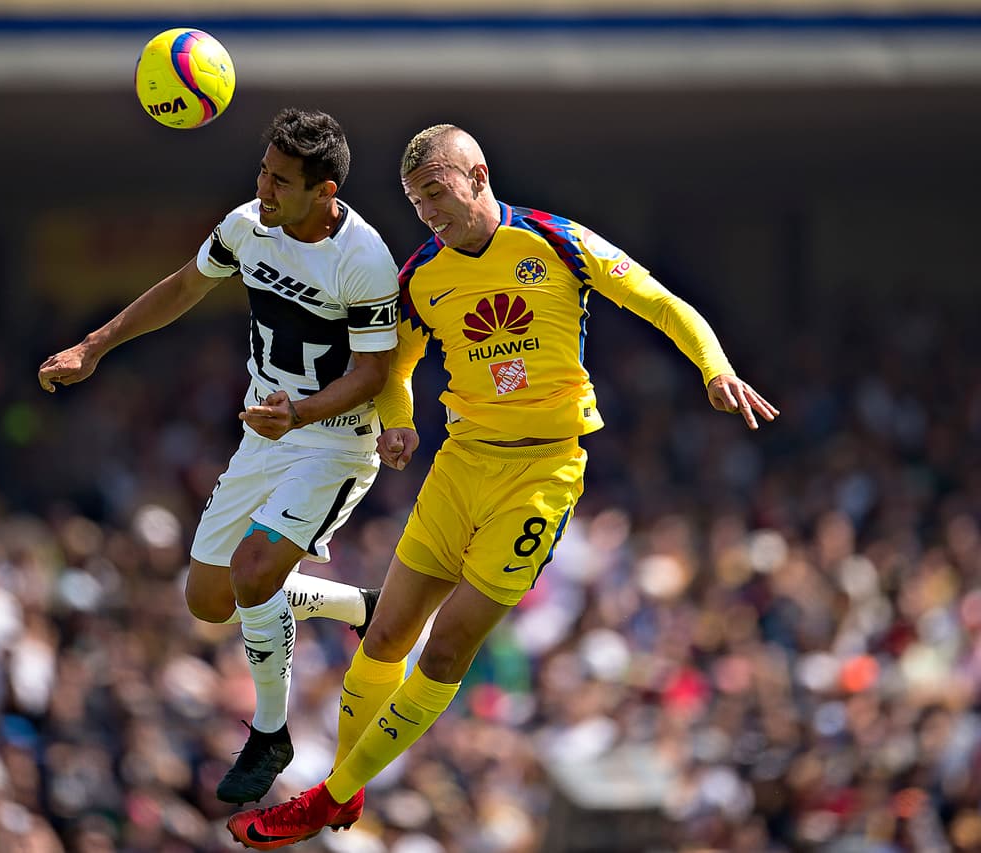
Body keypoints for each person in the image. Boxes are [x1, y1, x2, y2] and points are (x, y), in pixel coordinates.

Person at [226, 124, 780, 848]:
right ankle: (349, 788)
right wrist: (400, 421)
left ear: (478, 176)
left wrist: (714, 368)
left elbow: (661, 302)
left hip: (543, 471)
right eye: (414, 200)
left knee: (448, 648)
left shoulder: (555, 241)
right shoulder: (421, 272)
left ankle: (327, 795)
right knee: (388, 631)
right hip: (461, 462)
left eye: (435, 192)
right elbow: (394, 366)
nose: (426, 212)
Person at [38, 108, 400, 805]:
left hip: (332, 439)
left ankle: (271, 733)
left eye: (282, 181)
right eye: (264, 171)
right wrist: (93, 346)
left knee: (254, 571)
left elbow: (372, 374)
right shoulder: (247, 225)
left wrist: (297, 411)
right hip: (265, 432)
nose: (264, 188)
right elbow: (182, 288)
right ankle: (359, 605)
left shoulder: (364, 259)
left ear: (325, 193)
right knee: (209, 600)